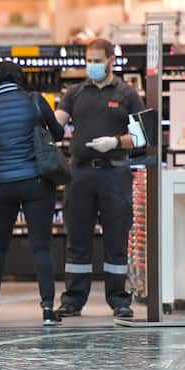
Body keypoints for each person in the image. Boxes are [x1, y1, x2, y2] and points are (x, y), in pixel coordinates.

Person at [55, 38, 145, 319]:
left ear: (110, 61)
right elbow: (56, 123)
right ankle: (72, 300)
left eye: (97, 60)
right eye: (88, 60)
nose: (91, 65)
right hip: (79, 173)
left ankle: (119, 300)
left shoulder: (128, 94)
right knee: (77, 238)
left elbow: (143, 135)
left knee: (116, 238)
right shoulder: (74, 93)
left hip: (115, 172)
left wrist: (116, 142)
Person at [0, 62, 64, 326]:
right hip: (36, 182)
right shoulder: (35, 101)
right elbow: (57, 134)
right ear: (20, 78)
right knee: (42, 246)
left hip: (1, 184)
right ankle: (47, 309)